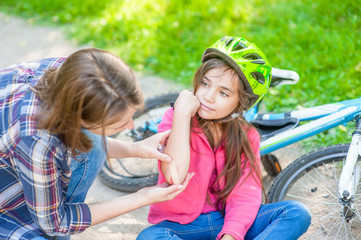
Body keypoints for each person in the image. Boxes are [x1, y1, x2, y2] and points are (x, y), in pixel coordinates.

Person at [0, 48, 193, 240]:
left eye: (131, 116)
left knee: (94, 147)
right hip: (5, 208)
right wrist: (142, 197)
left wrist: (135, 148)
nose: (131, 126)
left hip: (17, 159)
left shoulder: (72, 73)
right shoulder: (37, 142)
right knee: (49, 229)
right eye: (119, 124)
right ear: (78, 119)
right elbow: (54, 222)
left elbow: (84, 137)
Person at [137, 36, 311, 240]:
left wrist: (231, 234)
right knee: (149, 237)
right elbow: (174, 176)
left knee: (296, 213)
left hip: (227, 220)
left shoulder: (247, 136)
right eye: (204, 83)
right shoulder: (175, 118)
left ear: (240, 104)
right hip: (183, 226)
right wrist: (182, 116)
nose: (208, 96)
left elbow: (245, 193)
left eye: (224, 93)